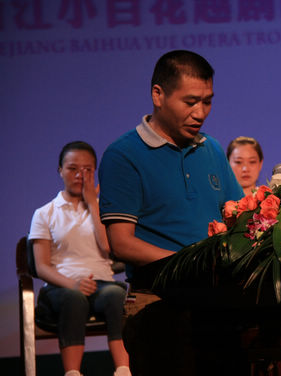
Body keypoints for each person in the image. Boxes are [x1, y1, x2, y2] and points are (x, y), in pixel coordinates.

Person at [98, 50, 244, 374]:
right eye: (190, 102)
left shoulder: (211, 148)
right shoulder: (124, 155)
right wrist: (190, 264)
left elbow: (238, 215)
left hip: (216, 301)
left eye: (207, 101)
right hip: (157, 302)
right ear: (158, 95)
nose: (200, 113)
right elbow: (121, 243)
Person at [29, 141, 130, 376]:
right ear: (60, 170)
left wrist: (93, 203)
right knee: (74, 299)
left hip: (102, 284)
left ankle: (123, 370)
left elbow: (108, 247)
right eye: (73, 168)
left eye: (87, 170)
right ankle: (73, 372)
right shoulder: (45, 213)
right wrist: (73, 284)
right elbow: (41, 266)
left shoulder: (104, 209)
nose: (79, 175)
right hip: (62, 286)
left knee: (116, 295)